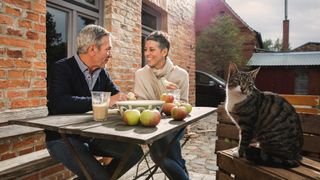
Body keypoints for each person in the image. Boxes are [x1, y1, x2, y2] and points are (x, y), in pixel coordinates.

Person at [46, 24, 143, 180]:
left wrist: (128, 99)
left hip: (92, 135)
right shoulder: (62, 68)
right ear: (92, 49)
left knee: (134, 152)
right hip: (62, 138)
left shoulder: (101, 72)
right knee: (100, 177)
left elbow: (116, 94)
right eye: (108, 49)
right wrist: (105, 101)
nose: (110, 54)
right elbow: (59, 103)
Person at [134, 31, 189, 180]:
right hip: (151, 125)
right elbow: (140, 105)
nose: (147, 53)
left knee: (159, 152)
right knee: (160, 151)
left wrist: (175, 96)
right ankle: (182, 170)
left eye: (151, 50)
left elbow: (184, 106)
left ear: (164, 51)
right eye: (146, 49)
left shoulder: (181, 74)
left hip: (175, 125)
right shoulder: (140, 74)